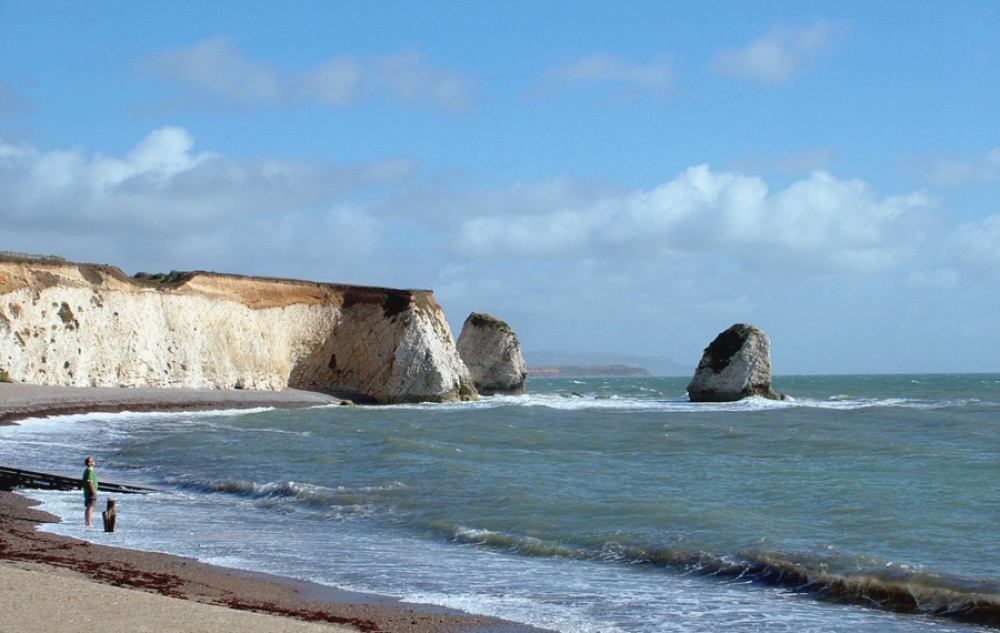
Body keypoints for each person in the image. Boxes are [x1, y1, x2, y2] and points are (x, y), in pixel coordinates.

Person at [82, 457, 99, 526]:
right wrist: (94, 491)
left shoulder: (87, 470)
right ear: (89, 463)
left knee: (88, 506)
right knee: (90, 507)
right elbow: (90, 482)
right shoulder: (90, 471)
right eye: (92, 461)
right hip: (90, 491)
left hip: (87, 491)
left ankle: (87, 521)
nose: (93, 462)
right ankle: (89, 522)